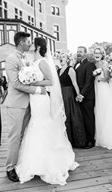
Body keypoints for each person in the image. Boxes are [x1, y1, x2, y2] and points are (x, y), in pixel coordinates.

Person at [16, 37, 79, 185]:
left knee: (42, 124)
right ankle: (36, 163)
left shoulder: (43, 62)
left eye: (32, 43)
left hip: (42, 99)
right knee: (35, 124)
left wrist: (34, 81)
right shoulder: (32, 62)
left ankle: (49, 164)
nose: (30, 44)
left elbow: (51, 81)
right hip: (34, 98)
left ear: (37, 47)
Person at [3, 31, 46, 182]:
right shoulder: (11, 59)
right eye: (28, 42)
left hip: (29, 103)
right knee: (15, 137)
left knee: (24, 135)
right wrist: (37, 90)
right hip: (16, 104)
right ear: (21, 42)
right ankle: (10, 168)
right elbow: (15, 83)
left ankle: (21, 163)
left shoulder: (26, 58)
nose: (30, 44)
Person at [58, 53, 86, 148]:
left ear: (67, 59)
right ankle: (65, 140)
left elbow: (75, 83)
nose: (61, 58)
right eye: (61, 57)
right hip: (61, 94)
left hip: (69, 94)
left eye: (63, 56)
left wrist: (78, 94)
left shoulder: (70, 69)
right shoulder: (58, 70)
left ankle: (75, 141)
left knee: (70, 116)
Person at [93, 46, 112, 150]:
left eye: (99, 53)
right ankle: (100, 138)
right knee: (98, 112)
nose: (97, 54)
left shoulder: (104, 64)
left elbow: (107, 77)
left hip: (103, 88)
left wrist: (99, 77)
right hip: (96, 88)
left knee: (105, 111)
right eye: (95, 53)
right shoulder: (94, 64)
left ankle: (108, 139)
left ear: (102, 54)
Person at [74, 46, 96, 149]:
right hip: (77, 96)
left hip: (87, 97)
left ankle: (91, 141)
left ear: (85, 53)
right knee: (81, 119)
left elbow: (88, 82)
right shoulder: (75, 65)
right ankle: (82, 140)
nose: (78, 53)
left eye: (81, 52)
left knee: (88, 118)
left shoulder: (90, 65)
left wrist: (81, 94)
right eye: (77, 51)